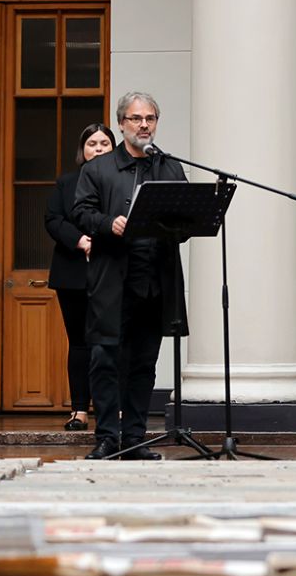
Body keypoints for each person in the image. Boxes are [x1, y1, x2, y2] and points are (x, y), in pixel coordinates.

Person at [72, 92, 188, 460]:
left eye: (150, 119)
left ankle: (135, 438)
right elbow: (82, 213)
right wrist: (110, 223)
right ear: (121, 123)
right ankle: (107, 437)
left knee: (143, 363)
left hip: (154, 283)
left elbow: (186, 220)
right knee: (105, 360)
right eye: (136, 119)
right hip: (113, 282)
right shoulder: (99, 169)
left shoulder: (169, 168)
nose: (144, 125)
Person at [44, 123, 116, 432]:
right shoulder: (67, 182)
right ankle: (79, 410)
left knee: (113, 342)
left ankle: (113, 411)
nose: (98, 148)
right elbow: (53, 220)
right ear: (82, 150)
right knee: (80, 343)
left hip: (112, 269)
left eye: (104, 143)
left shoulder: (121, 181)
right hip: (73, 271)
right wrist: (82, 241)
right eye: (92, 144)